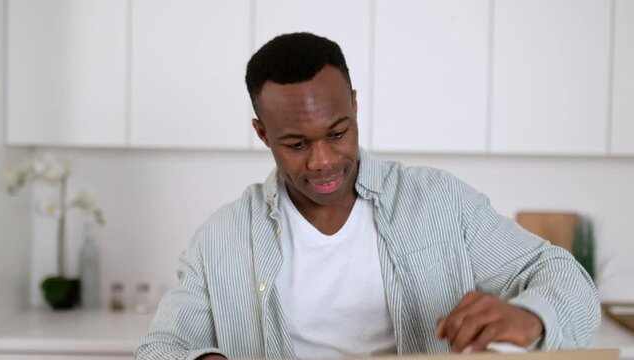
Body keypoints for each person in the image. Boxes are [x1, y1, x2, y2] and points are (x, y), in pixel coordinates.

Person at [136, 32, 600, 360]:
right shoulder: (221, 239)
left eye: (338, 133)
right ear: (262, 133)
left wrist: (533, 319)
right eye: (296, 144)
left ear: (355, 106)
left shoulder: (441, 202)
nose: (321, 161)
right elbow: (158, 349)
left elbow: (566, 278)